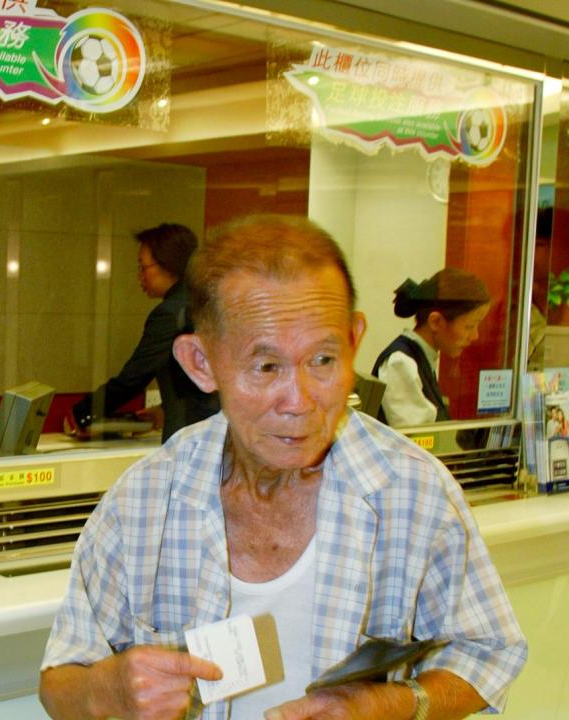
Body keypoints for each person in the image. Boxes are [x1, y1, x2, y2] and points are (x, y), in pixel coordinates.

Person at [39, 215, 525, 720]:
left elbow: (488, 652)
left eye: (323, 360)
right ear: (200, 362)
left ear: (355, 339)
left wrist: (396, 703)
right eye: (266, 367)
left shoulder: (412, 491)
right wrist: (106, 691)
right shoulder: (145, 500)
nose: (299, 402)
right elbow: (60, 681)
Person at [67, 224, 219, 443]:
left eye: (143, 266)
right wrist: (163, 409)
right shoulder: (204, 303)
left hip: (189, 434)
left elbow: (134, 376)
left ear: (168, 265)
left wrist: (83, 412)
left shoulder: (170, 314)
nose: (140, 275)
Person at [372, 268, 491, 427]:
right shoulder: (400, 363)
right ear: (435, 321)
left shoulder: (423, 359)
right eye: (469, 326)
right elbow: (417, 440)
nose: (475, 336)